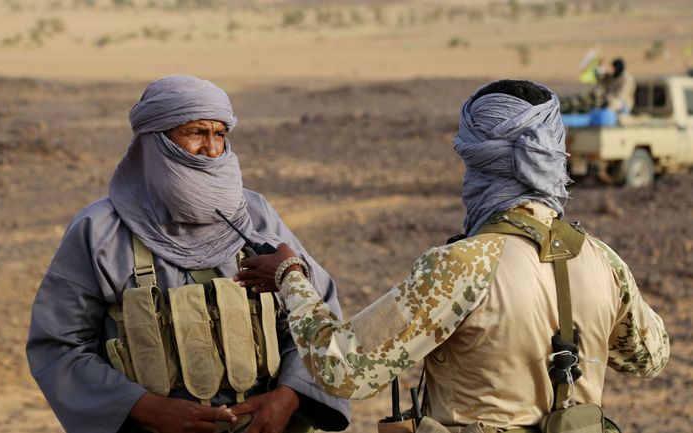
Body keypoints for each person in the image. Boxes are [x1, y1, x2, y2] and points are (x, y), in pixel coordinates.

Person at [234, 80, 669, 431]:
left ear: (479, 163)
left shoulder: (464, 265)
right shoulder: (603, 260)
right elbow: (649, 358)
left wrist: (291, 276)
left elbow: (343, 370)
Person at [26, 75, 350, 433]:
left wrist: (288, 397)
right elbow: (59, 347)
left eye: (220, 134)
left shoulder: (256, 216)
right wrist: (145, 408)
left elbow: (317, 317)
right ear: (156, 141)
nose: (212, 149)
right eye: (195, 132)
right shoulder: (100, 231)